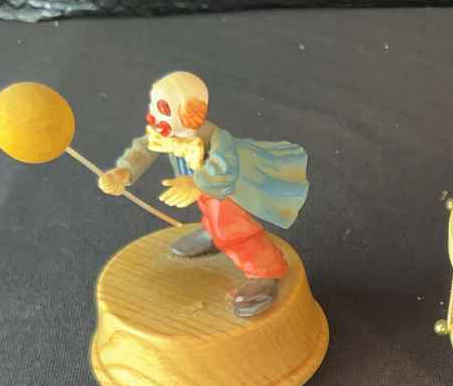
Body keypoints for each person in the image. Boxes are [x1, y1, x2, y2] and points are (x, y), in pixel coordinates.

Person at [98, 71, 308, 318]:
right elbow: (143, 148)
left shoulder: (218, 138)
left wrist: (196, 184)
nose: (152, 113)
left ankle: (265, 271)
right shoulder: (164, 133)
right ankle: (212, 234)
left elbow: (224, 169)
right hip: (200, 191)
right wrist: (124, 171)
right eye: (153, 104)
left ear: (189, 112)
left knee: (233, 229)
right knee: (211, 215)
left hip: (226, 191)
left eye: (162, 107)